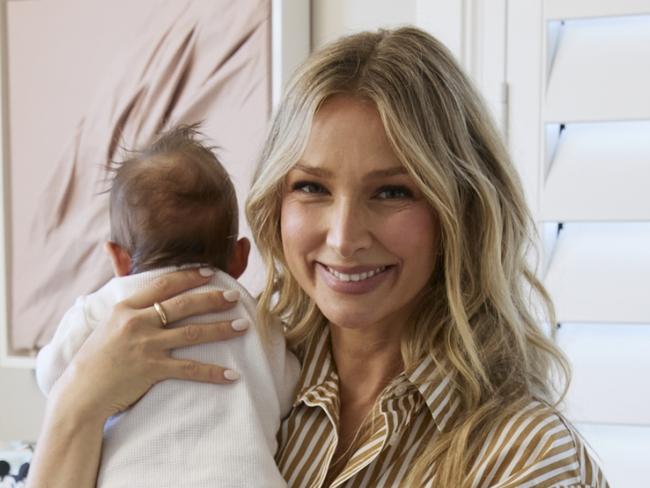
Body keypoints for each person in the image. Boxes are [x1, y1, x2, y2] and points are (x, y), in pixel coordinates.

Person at [27, 27, 609, 488]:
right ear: (274, 202)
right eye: (311, 187)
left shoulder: (524, 457)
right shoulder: (254, 370)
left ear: (464, 210)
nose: (344, 236)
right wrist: (79, 401)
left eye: (392, 191)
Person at [33, 125, 299, 487]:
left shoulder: (107, 308)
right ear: (240, 258)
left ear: (119, 259)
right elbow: (287, 389)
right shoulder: (255, 317)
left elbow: (51, 374)